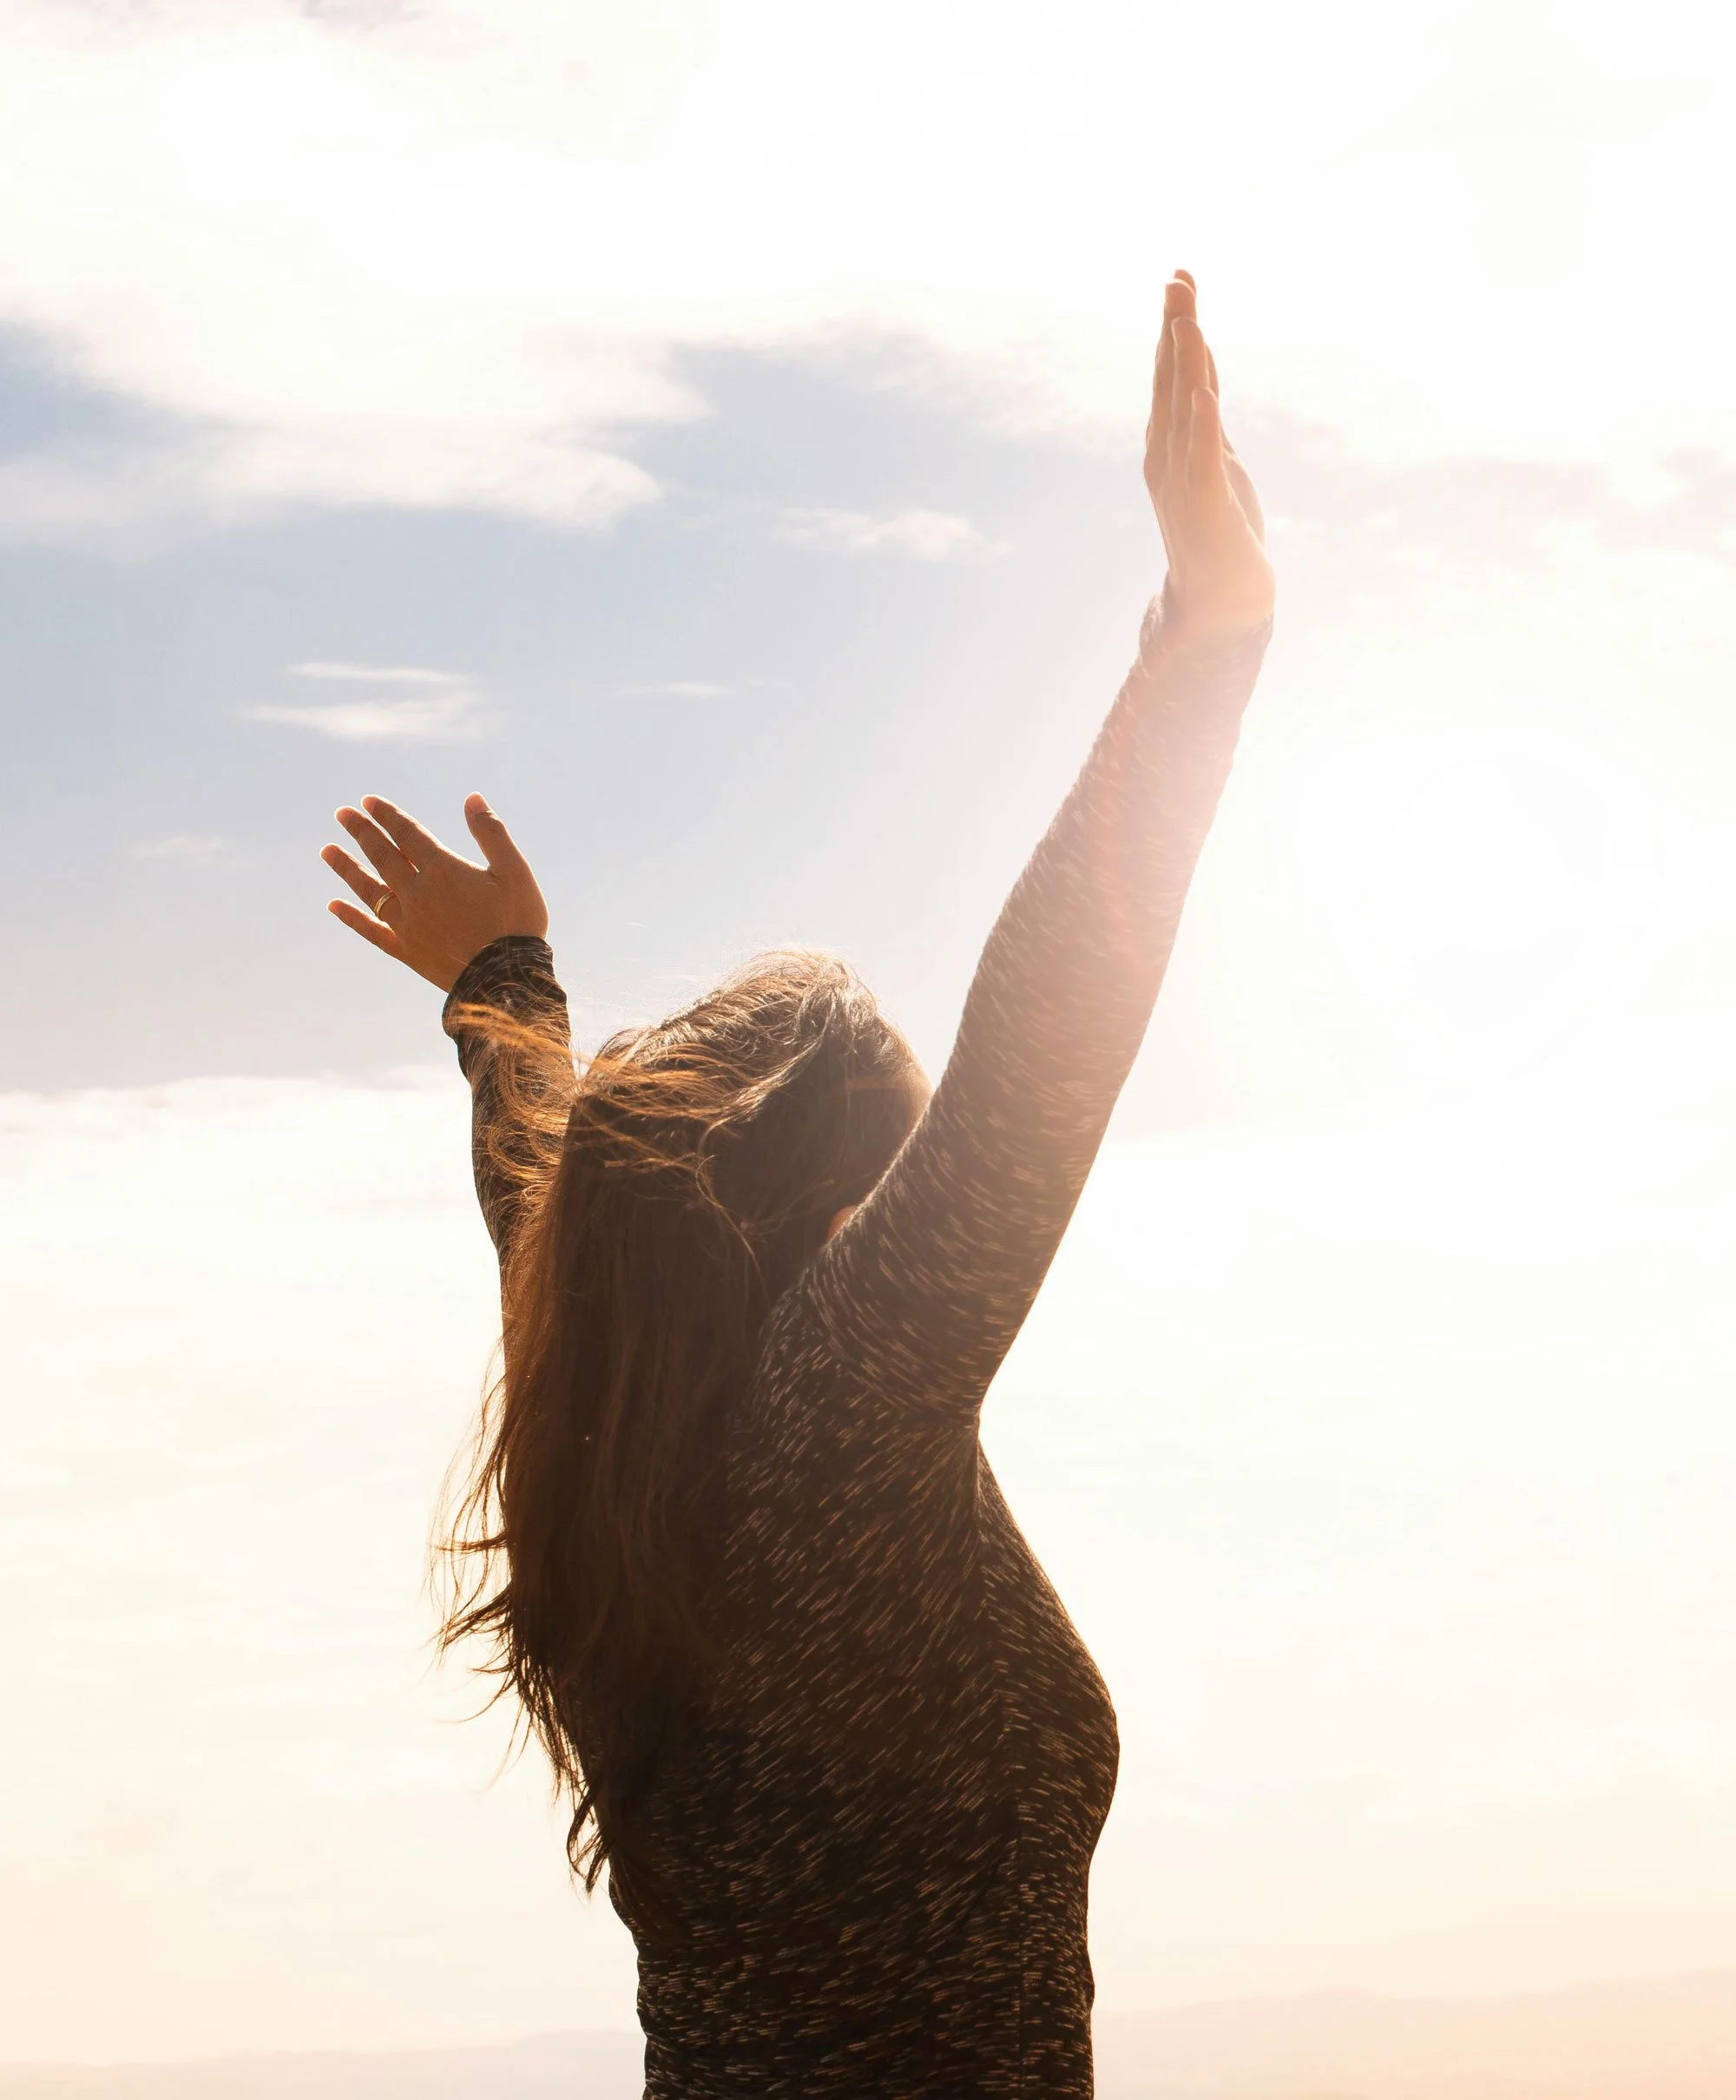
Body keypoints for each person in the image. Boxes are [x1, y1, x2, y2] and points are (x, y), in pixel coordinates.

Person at [319, 269, 1273, 2097]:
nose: (925, 1212)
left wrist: (505, 991)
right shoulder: (835, 1417)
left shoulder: (609, 1428)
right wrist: (1203, 646)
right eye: (902, 1176)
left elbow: (543, 1200)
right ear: (836, 1199)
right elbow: (1040, 1051)